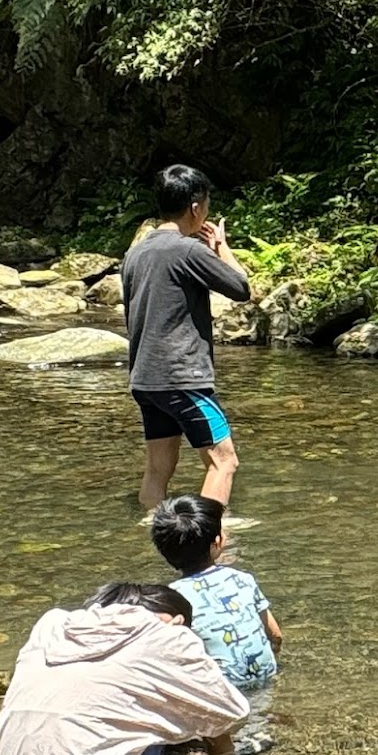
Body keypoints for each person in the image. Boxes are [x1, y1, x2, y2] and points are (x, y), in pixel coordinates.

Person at [0, 582, 248, 755]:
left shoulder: (51, 627)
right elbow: (232, 711)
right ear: (174, 619)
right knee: (160, 712)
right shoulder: (163, 636)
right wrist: (180, 639)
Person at [123, 164, 253, 516]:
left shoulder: (135, 254)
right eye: (207, 204)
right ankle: (210, 542)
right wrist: (221, 247)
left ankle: (155, 534)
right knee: (224, 461)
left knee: (157, 469)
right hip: (183, 378)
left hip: (145, 379)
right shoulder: (188, 251)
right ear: (196, 207)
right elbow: (241, 288)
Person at [149, 495, 282, 688]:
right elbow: (276, 635)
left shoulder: (170, 599)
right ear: (217, 542)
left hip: (219, 688)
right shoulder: (242, 580)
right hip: (265, 677)